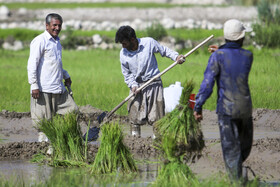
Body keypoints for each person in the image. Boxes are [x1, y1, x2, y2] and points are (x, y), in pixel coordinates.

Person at [193, 19, 253, 182]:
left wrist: (197, 106)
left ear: (225, 37)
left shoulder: (217, 57)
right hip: (245, 109)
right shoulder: (248, 56)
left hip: (226, 110)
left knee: (231, 149)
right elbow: (234, 55)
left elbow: (207, 85)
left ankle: (235, 182)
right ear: (241, 38)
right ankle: (239, 179)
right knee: (243, 148)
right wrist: (221, 51)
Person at [115, 25, 185, 137]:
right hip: (137, 86)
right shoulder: (123, 54)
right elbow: (127, 74)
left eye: (124, 43)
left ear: (132, 39)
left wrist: (176, 57)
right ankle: (135, 140)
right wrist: (133, 86)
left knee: (156, 116)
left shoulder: (149, 43)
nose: (123, 46)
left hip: (153, 83)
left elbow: (164, 51)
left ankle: (157, 141)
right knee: (134, 115)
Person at [27, 13, 79, 142]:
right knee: (44, 122)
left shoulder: (57, 42)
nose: (57, 28)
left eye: (59, 25)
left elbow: (55, 64)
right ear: (47, 26)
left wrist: (65, 75)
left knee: (73, 110)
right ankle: (43, 147)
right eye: (54, 25)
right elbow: (32, 64)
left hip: (58, 87)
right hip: (43, 88)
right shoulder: (40, 41)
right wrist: (34, 85)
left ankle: (66, 139)